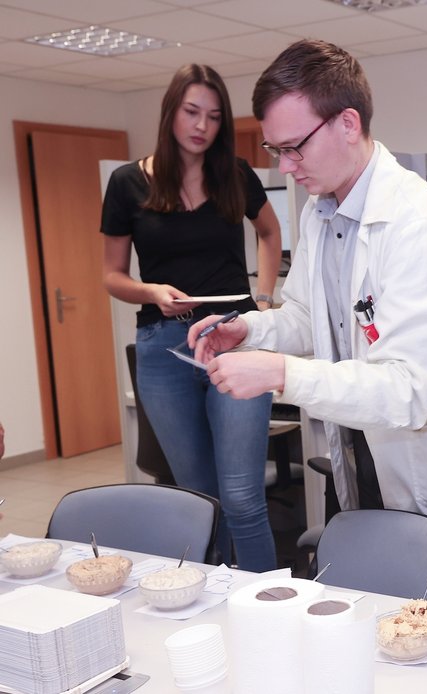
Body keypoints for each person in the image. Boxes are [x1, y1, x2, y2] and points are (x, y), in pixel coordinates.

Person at [188, 39, 427, 578]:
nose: (287, 167)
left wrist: (280, 374)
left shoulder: (419, 227)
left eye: (295, 147)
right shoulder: (321, 211)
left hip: (426, 469)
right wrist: (248, 332)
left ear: (347, 123)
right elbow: (308, 317)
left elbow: (409, 392)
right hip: (361, 460)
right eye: (275, 151)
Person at [101, 64, 282, 572]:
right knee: (198, 499)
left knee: (244, 497)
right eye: (192, 112)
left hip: (234, 339)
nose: (202, 125)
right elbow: (111, 276)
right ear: (171, 112)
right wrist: (149, 290)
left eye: (214, 116)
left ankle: (268, 607)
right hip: (164, 347)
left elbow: (270, 234)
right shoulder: (127, 183)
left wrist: (263, 301)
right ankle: (213, 608)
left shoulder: (236, 175)